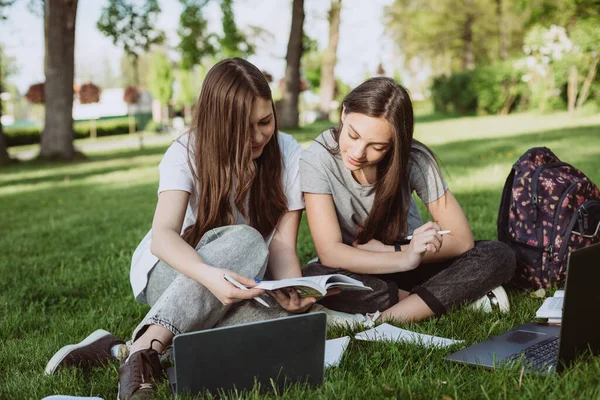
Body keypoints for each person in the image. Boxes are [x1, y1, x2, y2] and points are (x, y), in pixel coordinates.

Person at [45, 58, 320, 399]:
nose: (258, 136)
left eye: (265, 121)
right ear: (219, 124)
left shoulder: (289, 152)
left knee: (286, 322)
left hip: (242, 280)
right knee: (247, 242)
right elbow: (163, 237)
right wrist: (208, 275)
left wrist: (291, 292)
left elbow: (281, 245)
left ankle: (121, 350)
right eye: (242, 128)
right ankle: (147, 349)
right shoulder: (186, 151)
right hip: (176, 271)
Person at [299, 77, 516, 323]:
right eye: (353, 135)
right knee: (315, 276)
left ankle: (385, 318)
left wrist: (402, 253)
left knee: (498, 254)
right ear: (344, 112)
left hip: (413, 262)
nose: (359, 153)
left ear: (395, 144)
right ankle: (444, 300)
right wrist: (402, 259)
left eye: (377, 147)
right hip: (360, 266)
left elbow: (462, 239)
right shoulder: (317, 158)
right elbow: (330, 253)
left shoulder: (413, 158)